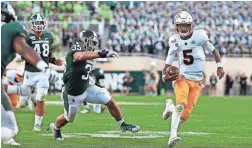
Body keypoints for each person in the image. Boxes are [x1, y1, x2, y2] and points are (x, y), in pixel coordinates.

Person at [49, 30, 140, 140]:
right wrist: (102, 53)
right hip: (72, 92)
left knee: (109, 100)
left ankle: (122, 125)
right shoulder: (75, 50)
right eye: (91, 42)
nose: (93, 45)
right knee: (68, 118)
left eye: (94, 42)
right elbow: (79, 56)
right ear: (83, 41)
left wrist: (95, 84)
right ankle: (56, 128)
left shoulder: (90, 56)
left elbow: (86, 72)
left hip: (86, 87)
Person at [161, 11, 225, 147]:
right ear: (176, 27)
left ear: (191, 25)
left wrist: (219, 66)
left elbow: (214, 50)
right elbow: (169, 60)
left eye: (186, 25)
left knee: (184, 116)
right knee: (180, 106)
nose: (183, 28)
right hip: (182, 77)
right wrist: (163, 74)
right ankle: (172, 136)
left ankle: (169, 106)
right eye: (181, 26)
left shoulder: (200, 36)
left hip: (197, 81)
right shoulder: (174, 40)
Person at [1, 2, 51, 145]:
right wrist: (44, 66)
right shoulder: (12, 27)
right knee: (11, 127)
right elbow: (23, 48)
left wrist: (20, 89)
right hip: (29, 72)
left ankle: (8, 138)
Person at [18, 13, 63, 132]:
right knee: (22, 102)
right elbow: (22, 56)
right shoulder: (26, 37)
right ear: (31, 24)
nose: (39, 25)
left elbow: (47, 54)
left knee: (41, 98)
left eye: (41, 23)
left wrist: (54, 61)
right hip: (29, 72)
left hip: (43, 73)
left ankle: (37, 126)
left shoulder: (49, 36)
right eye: (36, 23)